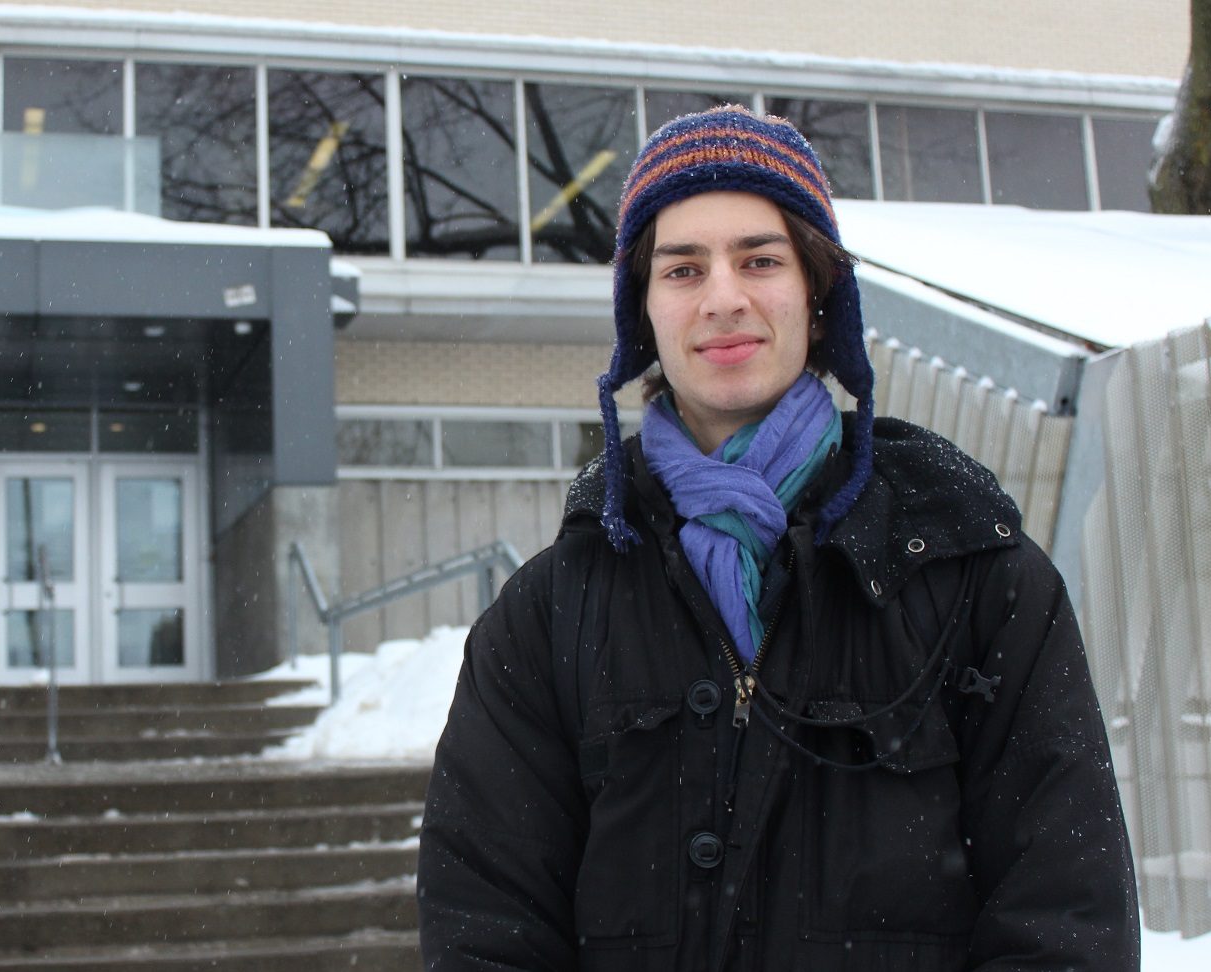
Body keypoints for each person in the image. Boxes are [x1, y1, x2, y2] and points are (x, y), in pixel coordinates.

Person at [417, 105, 1139, 971]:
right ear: (643, 318)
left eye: (760, 259)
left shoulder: (983, 582)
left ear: (820, 297)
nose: (724, 297)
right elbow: (487, 936)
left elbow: (1065, 919)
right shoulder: (546, 615)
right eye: (683, 269)